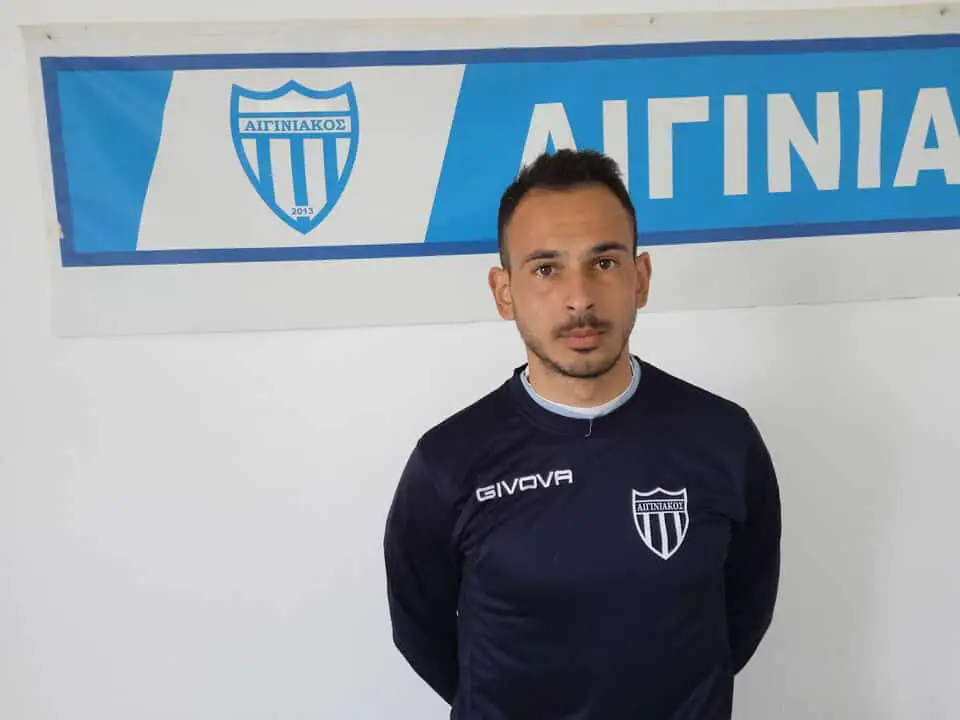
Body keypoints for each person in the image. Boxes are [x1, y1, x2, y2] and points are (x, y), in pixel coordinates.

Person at [382, 149, 781, 719]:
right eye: (546, 269)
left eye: (605, 262)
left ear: (641, 279)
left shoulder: (723, 439)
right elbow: (421, 631)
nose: (580, 297)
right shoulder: (447, 461)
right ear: (504, 292)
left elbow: (742, 614)